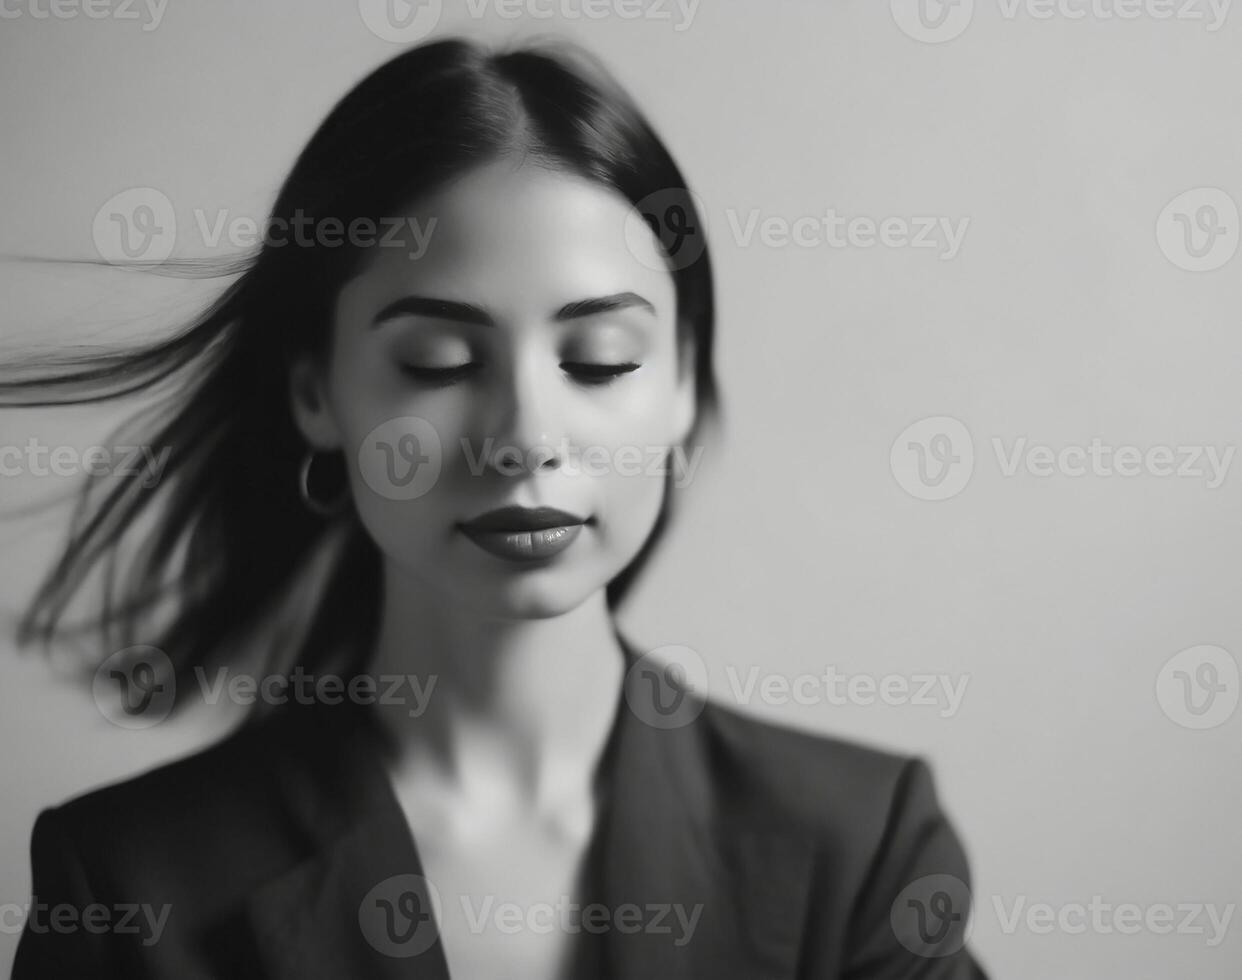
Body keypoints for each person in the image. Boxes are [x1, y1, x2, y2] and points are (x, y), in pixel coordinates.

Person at [6, 36, 988, 979]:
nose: (524, 434)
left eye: (598, 359)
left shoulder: (863, 848)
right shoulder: (132, 883)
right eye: (438, 362)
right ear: (316, 394)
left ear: (683, 384)